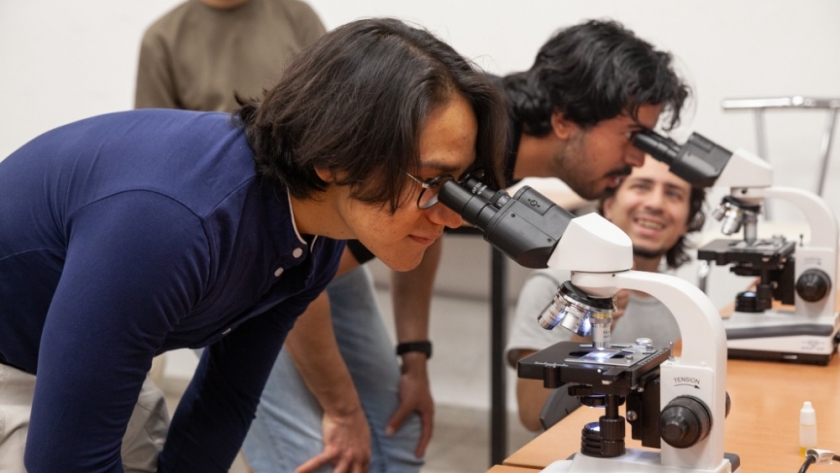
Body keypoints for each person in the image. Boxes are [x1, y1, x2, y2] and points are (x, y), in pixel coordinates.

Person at [0, 18, 508, 473]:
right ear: (334, 155)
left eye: (460, 184)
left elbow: (229, 393)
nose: (448, 215)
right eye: (432, 181)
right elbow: (63, 463)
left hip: (56, 356)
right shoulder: (176, 227)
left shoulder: (316, 229)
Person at [248, 18, 692, 473]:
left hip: (324, 270)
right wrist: (341, 411)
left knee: (398, 441)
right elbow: (297, 287)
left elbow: (426, 231)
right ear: (563, 120)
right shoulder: (469, 136)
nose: (639, 158)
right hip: (260, 273)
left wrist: (414, 358)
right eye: (633, 136)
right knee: (323, 459)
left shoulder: (494, 149)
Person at [505, 157, 707, 432]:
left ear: (687, 220)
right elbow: (532, 414)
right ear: (609, 205)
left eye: (673, 194)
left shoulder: (681, 303)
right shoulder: (553, 288)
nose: (656, 204)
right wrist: (588, 331)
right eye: (641, 186)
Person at [135, 0, 326, 112]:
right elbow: (154, 137)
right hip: (204, 176)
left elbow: (329, 112)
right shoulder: (162, 39)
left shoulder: (300, 18)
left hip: (289, 175)